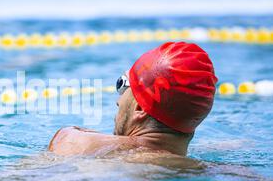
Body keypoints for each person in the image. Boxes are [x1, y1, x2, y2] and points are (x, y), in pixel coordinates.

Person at [48, 42, 218, 163]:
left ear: (140, 108)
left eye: (123, 85)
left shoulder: (79, 144)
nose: (118, 101)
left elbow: (66, 138)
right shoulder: (202, 168)